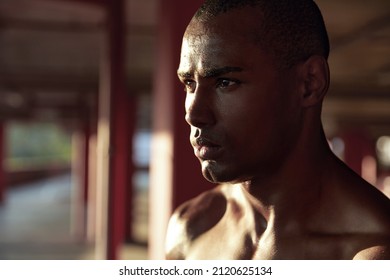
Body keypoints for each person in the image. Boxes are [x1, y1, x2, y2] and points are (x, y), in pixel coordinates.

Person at [165, 0, 390, 259]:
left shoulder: (371, 254)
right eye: (189, 84)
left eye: (225, 82)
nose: (193, 114)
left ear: (309, 83)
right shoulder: (189, 228)